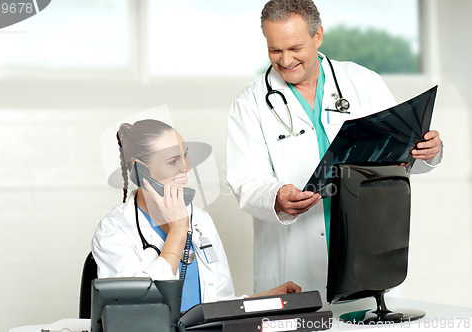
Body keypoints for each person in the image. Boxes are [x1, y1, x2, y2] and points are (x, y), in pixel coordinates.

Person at [226, 0, 443, 299]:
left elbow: (397, 155)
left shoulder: (362, 82)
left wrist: (427, 150)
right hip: (294, 255)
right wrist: (276, 197)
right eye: (275, 50)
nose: (286, 60)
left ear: (318, 36)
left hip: (364, 241)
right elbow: (245, 180)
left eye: (295, 48)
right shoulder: (250, 103)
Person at [92, 119, 301, 312]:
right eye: (174, 160)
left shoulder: (200, 220)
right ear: (141, 171)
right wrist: (178, 232)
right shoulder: (114, 231)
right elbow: (140, 309)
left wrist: (265, 299)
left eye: (185, 155)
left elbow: (216, 304)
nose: (186, 166)